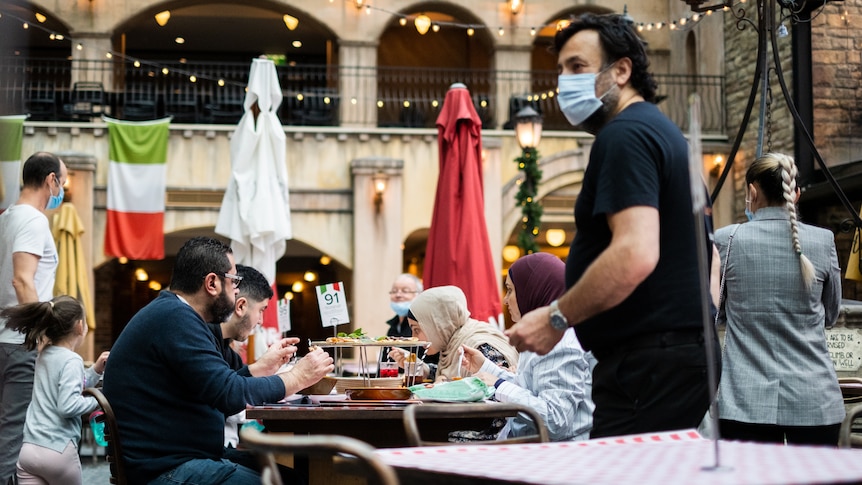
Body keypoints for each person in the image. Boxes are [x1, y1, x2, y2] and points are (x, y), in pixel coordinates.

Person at [505, 13, 717, 438]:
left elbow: (635, 252)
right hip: (668, 358)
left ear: (621, 70)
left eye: (578, 67)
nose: (565, 82)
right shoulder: (660, 132)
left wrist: (555, 318)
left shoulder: (626, 135)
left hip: (647, 362)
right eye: (561, 70)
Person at [103, 237, 333, 485]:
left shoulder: (177, 315)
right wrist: (296, 377)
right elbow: (229, 394)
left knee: (299, 477)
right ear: (212, 283)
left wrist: (260, 369)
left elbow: (221, 386)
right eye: (234, 282)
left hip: (183, 459)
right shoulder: (175, 319)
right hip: (166, 470)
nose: (237, 290)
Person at [714, 153, 844, 446]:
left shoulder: (727, 240)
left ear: (752, 192)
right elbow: (832, 314)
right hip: (814, 400)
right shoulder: (823, 241)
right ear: (795, 194)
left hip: (745, 401)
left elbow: (716, 311)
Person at [461, 253, 595, 441]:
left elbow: (554, 420)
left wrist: (499, 385)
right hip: (533, 448)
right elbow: (532, 387)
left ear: (532, 290)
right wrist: (486, 367)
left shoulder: (559, 342)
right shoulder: (548, 334)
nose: (506, 300)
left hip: (554, 459)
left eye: (510, 290)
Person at [0, 151, 67, 483]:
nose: (62, 190)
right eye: (63, 182)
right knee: (12, 435)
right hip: (18, 343)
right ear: (50, 180)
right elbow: (22, 279)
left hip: (5, 339)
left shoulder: (6, 217)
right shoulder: (33, 219)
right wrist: (40, 336)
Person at [1, 295, 108, 485]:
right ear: (79, 326)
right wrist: (101, 398)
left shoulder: (43, 355)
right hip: (58, 451)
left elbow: (69, 386)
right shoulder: (72, 359)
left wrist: (93, 372)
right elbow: (68, 405)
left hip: (29, 450)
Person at [208, 264, 295, 450]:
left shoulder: (228, 353)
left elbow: (234, 390)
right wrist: (297, 377)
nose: (261, 321)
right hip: (195, 458)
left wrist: (264, 366)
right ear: (241, 306)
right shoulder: (202, 342)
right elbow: (229, 398)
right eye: (262, 310)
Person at [390, 285, 518, 383]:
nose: (414, 337)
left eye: (417, 329)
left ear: (438, 324)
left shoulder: (481, 345)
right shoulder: (452, 343)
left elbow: (496, 389)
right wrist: (422, 369)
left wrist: (447, 389)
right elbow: (453, 373)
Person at [386, 273, 422, 337]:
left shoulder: (420, 324)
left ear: (418, 295)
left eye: (405, 291)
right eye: (394, 291)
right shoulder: (393, 326)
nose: (398, 295)